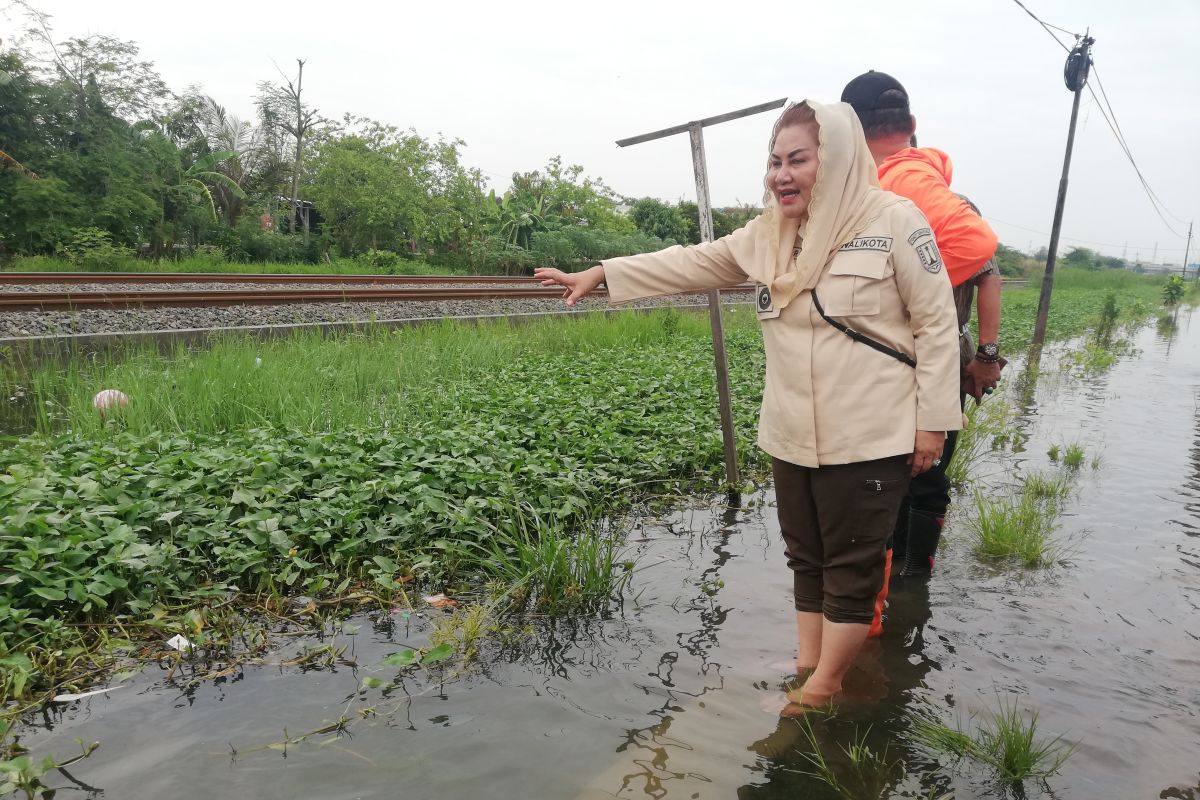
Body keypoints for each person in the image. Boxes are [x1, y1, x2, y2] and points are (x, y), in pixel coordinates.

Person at [534, 100, 962, 706]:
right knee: (807, 556)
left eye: (799, 160)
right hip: (792, 431)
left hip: (870, 432)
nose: (781, 174)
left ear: (835, 159)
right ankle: (810, 665)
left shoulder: (895, 219)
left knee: (853, 562)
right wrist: (604, 272)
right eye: (775, 160)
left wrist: (934, 425)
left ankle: (823, 690)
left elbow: (937, 325)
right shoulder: (769, 235)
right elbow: (691, 263)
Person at [840, 73, 1003, 633]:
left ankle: (907, 589)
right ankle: (892, 600)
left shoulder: (931, 201)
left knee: (907, 479)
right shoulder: (866, 196)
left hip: (919, 359)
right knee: (895, 480)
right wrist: (984, 354)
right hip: (911, 360)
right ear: (910, 126)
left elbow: (985, 267)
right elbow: (988, 274)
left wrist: (981, 352)